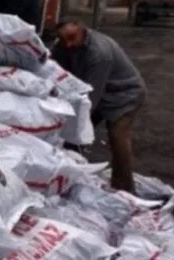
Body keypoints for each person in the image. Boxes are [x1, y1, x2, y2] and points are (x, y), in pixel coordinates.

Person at [52, 20, 147, 193]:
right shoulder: (63, 46)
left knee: (117, 137)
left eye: (72, 38)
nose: (68, 44)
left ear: (82, 28)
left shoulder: (99, 53)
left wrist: (68, 121)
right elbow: (53, 70)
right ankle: (68, 175)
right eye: (63, 39)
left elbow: (90, 99)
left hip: (124, 94)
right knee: (71, 136)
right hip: (98, 92)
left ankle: (125, 188)